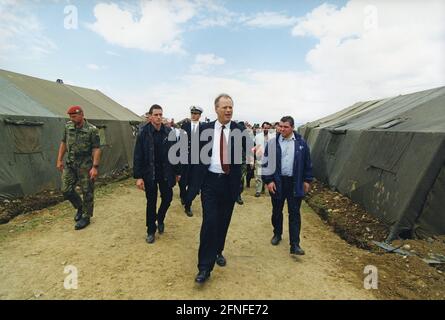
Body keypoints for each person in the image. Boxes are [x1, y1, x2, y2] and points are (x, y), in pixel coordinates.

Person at [194, 93, 244, 284]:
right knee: (210, 222)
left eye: (231, 107)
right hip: (210, 183)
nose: (229, 110)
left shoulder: (239, 130)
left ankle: (218, 251)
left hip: (229, 184)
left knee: (223, 222)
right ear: (216, 109)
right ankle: (204, 267)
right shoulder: (205, 129)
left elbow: (242, 156)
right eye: (225, 107)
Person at [262, 116, 313, 256]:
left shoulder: (301, 144)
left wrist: (307, 180)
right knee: (277, 211)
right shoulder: (272, 144)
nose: (282, 129)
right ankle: (277, 234)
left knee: (294, 213)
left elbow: (307, 164)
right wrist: (269, 181)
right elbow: (266, 164)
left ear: (292, 127)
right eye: (281, 126)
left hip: (295, 183)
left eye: (286, 127)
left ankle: (295, 244)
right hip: (278, 182)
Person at [133, 104, 181, 244]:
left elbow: (175, 153)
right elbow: (138, 155)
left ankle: (160, 218)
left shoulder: (168, 132)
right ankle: (150, 230)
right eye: (156, 115)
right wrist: (139, 177)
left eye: (161, 114)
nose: (159, 117)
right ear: (150, 116)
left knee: (168, 198)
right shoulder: (143, 133)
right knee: (151, 201)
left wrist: (178, 172)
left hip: (166, 172)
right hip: (150, 173)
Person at [56, 105, 101, 230]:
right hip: (70, 164)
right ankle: (80, 207)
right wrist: (59, 159)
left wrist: (95, 167)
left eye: (74, 116)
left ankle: (86, 217)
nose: (72, 119)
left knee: (87, 191)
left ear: (82, 114)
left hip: (85, 165)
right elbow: (63, 143)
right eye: (70, 117)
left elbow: (96, 149)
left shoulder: (92, 130)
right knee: (66, 190)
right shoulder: (68, 126)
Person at [179, 106, 203, 216]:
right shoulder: (185, 125)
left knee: (194, 183)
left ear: (200, 115)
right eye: (192, 113)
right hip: (185, 158)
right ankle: (183, 195)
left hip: (197, 159)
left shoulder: (203, 127)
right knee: (183, 181)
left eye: (196, 113)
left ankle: (188, 205)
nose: (193, 115)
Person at [254, 122, 274, 197]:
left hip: (269, 159)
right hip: (260, 158)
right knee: (258, 175)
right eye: (265, 128)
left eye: (268, 128)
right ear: (262, 128)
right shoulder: (258, 136)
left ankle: (264, 188)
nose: (266, 129)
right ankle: (258, 191)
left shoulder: (272, 137)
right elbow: (255, 146)